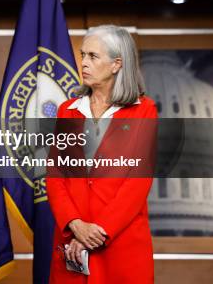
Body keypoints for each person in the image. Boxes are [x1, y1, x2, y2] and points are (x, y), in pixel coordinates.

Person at [47, 25, 157, 283]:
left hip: (120, 247)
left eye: (92, 56)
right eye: (83, 55)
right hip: (71, 246)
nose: (83, 62)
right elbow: (55, 175)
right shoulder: (67, 110)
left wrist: (98, 233)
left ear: (117, 64)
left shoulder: (144, 110)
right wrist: (74, 224)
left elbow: (137, 182)